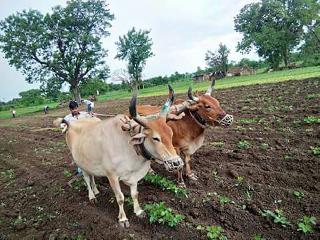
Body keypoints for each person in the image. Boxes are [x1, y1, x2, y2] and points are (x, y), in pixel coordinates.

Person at [63, 100, 94, 186]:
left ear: (78, 108)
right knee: (78, 155)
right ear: (70, 109)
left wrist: (92, 116)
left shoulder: (85, 115)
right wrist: (66, 125)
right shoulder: (67, 118)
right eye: (73, 109)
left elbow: (92, 120)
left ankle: (92, 167)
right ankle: (81, 169)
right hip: (76, 141)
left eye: (76, 108)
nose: (75, 110)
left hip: (87, 138)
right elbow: (63, 127)